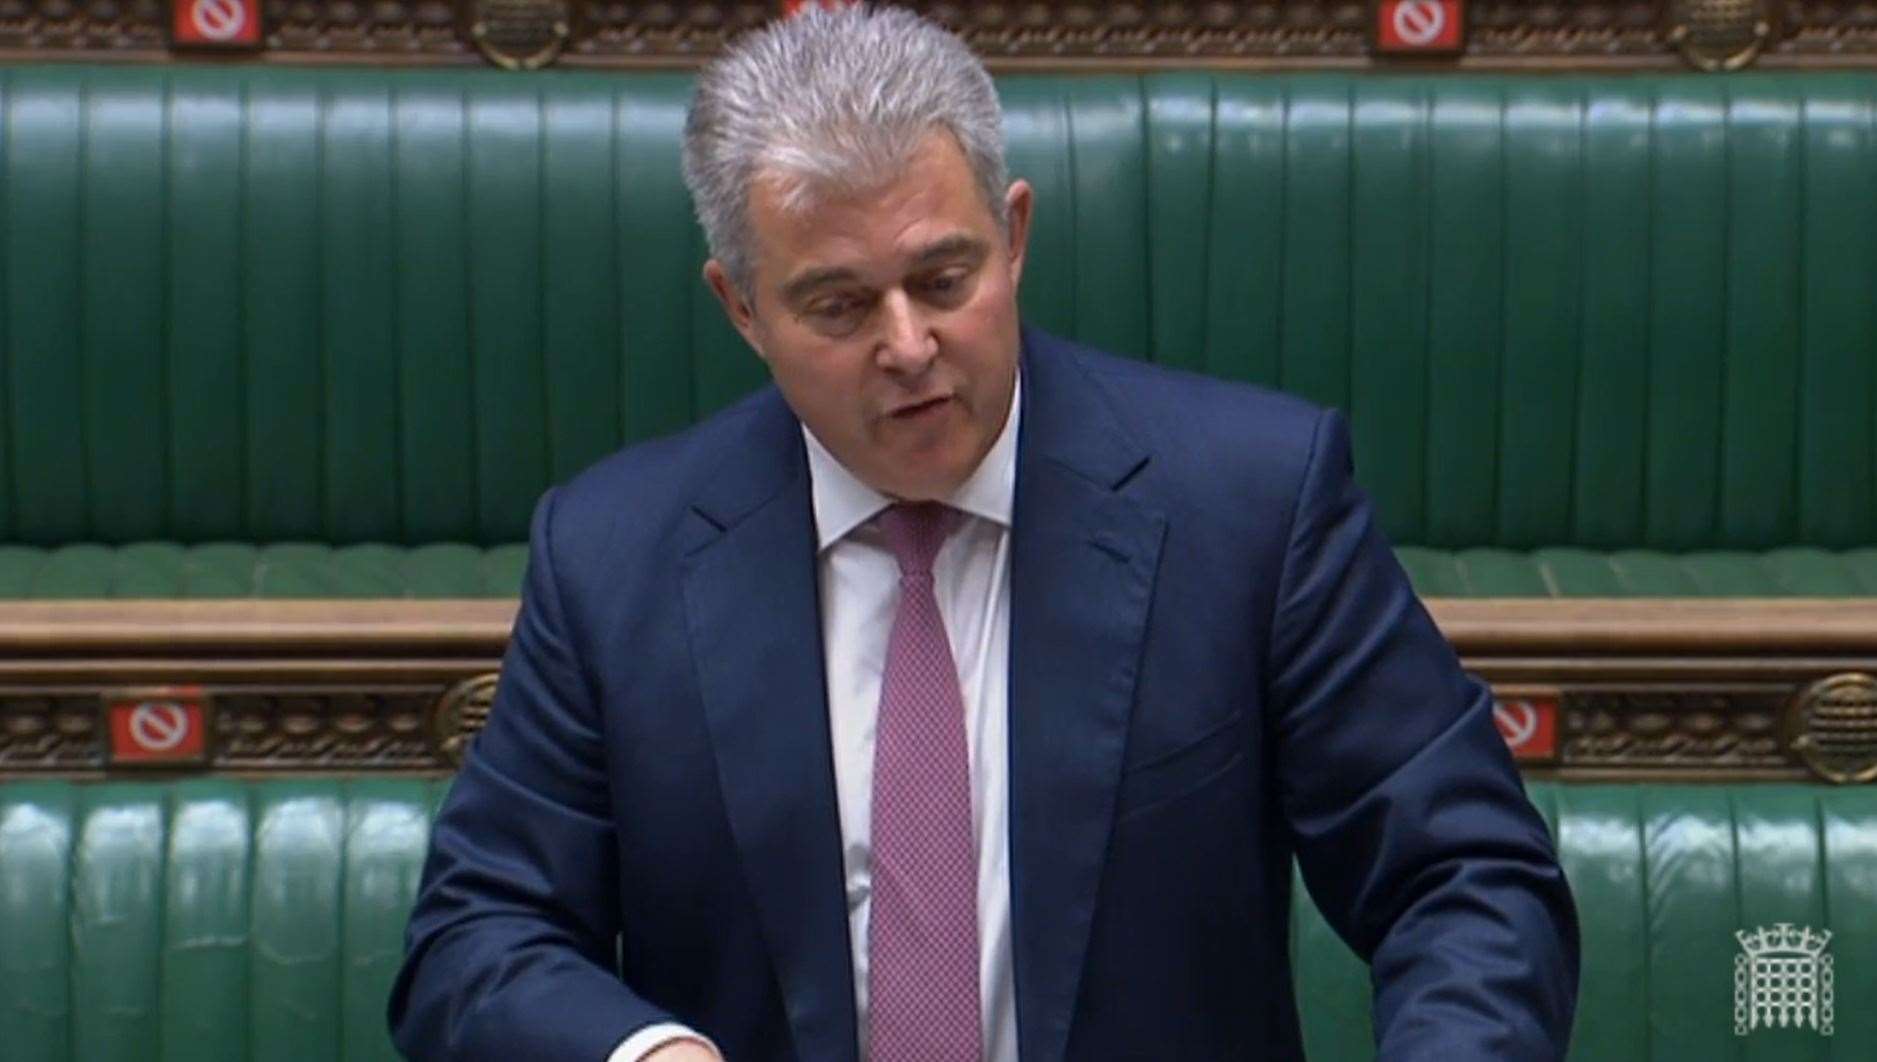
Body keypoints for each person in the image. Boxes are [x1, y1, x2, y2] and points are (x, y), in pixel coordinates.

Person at [388, 6, 1579, 1060]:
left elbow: (1464, 879)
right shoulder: (611, 558)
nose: (907, 346)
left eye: (943, 278)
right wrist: (640, 1054)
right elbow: (475, 934)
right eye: (839, 305)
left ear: (1012, 236)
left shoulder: (1252, 504)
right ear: (739, 306)